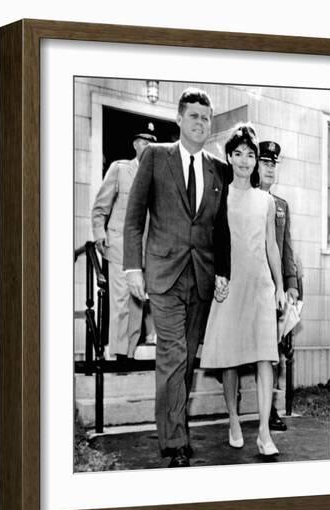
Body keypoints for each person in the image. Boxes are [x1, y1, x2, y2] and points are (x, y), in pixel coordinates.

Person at [123, 88, 231, 467]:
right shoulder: (155, 157)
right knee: (173, 355)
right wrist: (132, 267)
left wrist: (222, 271)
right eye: (194, 116)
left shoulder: (219, 169)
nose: (201, 123)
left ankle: (176, 425)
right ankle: (173, 442)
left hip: (200, 278)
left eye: (206, 117)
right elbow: (134, 217)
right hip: (163, 273)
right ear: (180, 119)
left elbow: (220, 228)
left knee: (186, 361)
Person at [200, 123, 286, 456]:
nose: (245, 161)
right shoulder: (219, 195)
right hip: (231, 286)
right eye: (238, 154)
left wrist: (279, 286)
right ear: (229, 157)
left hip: (261, 286)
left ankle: (264, 432)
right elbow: (210, 242)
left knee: (266, 356)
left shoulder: (265, 200)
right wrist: (217, 277)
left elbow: (271, 245)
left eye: (251, 155)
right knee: (231, 359)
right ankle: (234, 419)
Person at [92, 125, 157, 359]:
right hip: (119, 243)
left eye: (151, 143)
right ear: (135, 144)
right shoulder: (119, 170)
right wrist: (99, 233)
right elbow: (100, 206)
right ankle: (118, 353)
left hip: (142, 249)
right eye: (143, 141)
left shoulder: (155, 176)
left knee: (136, 302)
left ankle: (129, 353)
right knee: (119, 300)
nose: (147, 146)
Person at [259, 140, 299, 432]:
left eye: (273, 163)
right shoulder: (240, 198)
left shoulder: (281, 205)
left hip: (273, 292)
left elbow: (286, 249)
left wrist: (291, 285)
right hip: (247, 288)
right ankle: (235, 407)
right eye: (265, 162)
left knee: (274, 352)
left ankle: (271, 409)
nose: (270, 168)